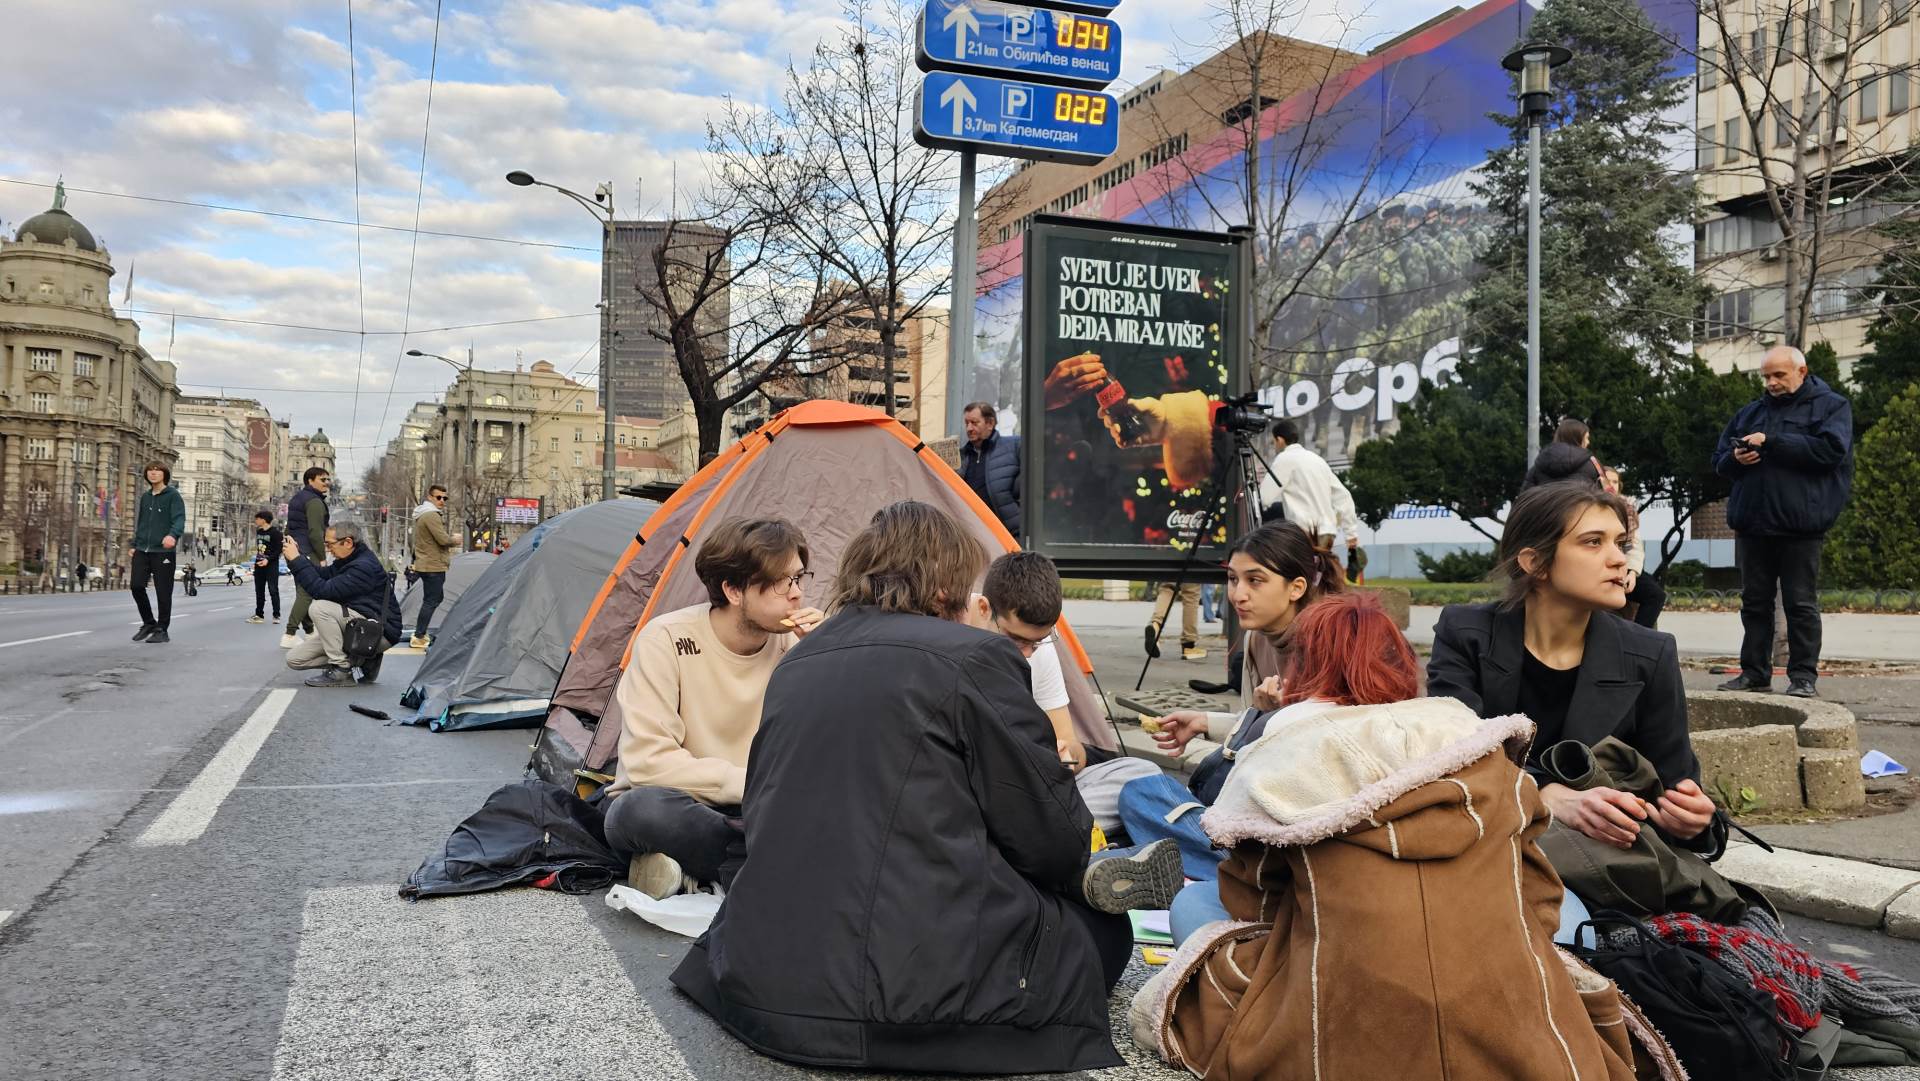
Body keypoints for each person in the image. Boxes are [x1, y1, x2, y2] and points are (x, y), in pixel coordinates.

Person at [671, 501, 1176, 1075]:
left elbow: (762, 805)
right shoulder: (975, 657)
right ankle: (1097, 881)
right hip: (907, 1001)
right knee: (1103, 930)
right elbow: (1047, 834)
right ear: (948, 586)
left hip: (764, 984)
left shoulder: (800, 660)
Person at [1131, 592, 1659, 1081]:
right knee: (1554, 914)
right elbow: (1539, 895)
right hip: (1498, 1004)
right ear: (1403, 663)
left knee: (1195, 902)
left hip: (1339, 1011)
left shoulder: (1280, 753)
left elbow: (1252, 903)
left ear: (1302, 667)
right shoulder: (1474, 743)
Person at [1427, 481, 1718, 859]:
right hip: (1483, 846)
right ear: (1535, 562)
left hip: (1594, 866)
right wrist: (1544, 793)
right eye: (1593, 542)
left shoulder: (1650, 654)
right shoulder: (1466, 634)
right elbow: (1454, 757)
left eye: (1621, 543)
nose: (1619, 560)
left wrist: (1695, 823)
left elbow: (1673, 790)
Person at [601, 518, 823, 899]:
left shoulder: (796, 645)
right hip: (685, 803)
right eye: (782, 582)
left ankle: (701, 869)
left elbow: (821, 751)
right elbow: (647, 764)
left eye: (800, 579)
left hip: (757, 811)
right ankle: (767, 871)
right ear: (733, 590)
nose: (797, 595)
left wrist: (824, 657)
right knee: (642, 811)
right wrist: (752, 784)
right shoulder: (667, 638)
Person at [1712, 344, 1854, 698]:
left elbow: (1830, 452)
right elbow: (1718, 461)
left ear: (1801, 372)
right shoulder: (1749, 413)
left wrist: (1772, 442)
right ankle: (1754, 674)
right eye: (1766, 377)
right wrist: (1736, 458)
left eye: (1779, 375)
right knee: (1754, 604)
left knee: (1800, 604)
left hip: (1800, 527)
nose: (1771, 383)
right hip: (1752, 525)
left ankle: (1803, 678)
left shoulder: (1832, 406)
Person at [966, 550, 1085, 771]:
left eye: (1039, 641)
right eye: (1016, 640)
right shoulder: (947, 633)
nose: (1029, 653)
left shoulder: (1040, 650)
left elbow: (1073, 744)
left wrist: (1066, 756)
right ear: (984, 608)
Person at [281, 521, 402, 687]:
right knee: (294, 660)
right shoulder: (350, 559)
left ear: (348, 542)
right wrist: (297, 557)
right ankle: (365, 659)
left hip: (379, 632)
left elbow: (321, 590)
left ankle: (341, 670)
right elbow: (322, 574)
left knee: (320, 608)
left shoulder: (363, 567)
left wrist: (296, 560)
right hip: (357, 626)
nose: (328, 549)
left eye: (330, 544)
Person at [1255, 417, 1361, 551]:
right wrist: (1351, 533)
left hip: (1304, 534)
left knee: (1294, 570)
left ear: (1280, 440)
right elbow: (1343, 496)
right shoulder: (1317, 460)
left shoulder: (1283, 459)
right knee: (1320, 571)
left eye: (1274, 442)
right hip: (1327, 533)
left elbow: (1264, 498)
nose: (1274, 446)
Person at [128, 462, 186, 645]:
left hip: (163, 551)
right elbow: (142, 523)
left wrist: (172, 535)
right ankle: (148, 623)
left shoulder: (173, 496)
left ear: (165, 474)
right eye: (150, 470)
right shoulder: (145, 497)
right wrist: (134, 544)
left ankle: (162, 629)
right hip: (143, 549)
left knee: (163, 591)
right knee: (136, 586)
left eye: (157, 470)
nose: (153, 473)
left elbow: (179, 519)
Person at [1600, 465, 1665, 628]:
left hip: (1625, 564)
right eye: (1608, 481)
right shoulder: (1590, 507)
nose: (1612, 485)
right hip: (1600, 566)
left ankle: (1640, 638)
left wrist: (1632, 572)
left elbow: (1634, 545)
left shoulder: (1627, 508)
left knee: (1655, 595)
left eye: (1615, 482)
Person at [282, 467, 331, 649]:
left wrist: (288, 547)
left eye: (328, 479)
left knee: (302, 592)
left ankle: (310, 631)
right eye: (322, 479)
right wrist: (322, 556)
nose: (326, 482)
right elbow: (315, 533)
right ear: (310, 480)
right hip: (307, 551)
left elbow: (289, 528)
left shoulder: (297, 498)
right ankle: (289, 634)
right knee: (307, 593)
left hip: (293, 550)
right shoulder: (314, 501)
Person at [957, 401, 1022, 536]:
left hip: (1010, 535)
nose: (969, 428)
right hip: (975, 534)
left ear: (990, 423)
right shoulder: (961, 457)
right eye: (966, 423)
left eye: (974, 423)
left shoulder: (1014, 446)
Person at [407, 483, 458, 649]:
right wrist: (455, 540)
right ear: (430, 497)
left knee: (435, 598)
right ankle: (419, 636)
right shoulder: (431, 515)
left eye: (445, 498)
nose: (442, 500)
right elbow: (443, 540)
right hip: (433, 565)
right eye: (438, 497)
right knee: (431, 600)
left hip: (427, 563)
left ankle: (420, 633)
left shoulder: (424, 514)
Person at [1521, 416, 1604, 492]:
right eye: (1586, 438)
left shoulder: (1538, 467)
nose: (1588, 442)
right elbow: (1603, 496)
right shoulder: (1593, 464)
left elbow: (1524, 498)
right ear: (1577, 438)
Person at [1146, 580, 1205, 661]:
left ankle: (1156, 624)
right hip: (1193, 568)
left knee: (1168, 588)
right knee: (1191, 594)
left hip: (1170, 568)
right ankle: (1188, 644)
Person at [248, 509, 283, 625]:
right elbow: (259, 548)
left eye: (257, 519)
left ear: (263, 520)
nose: (256, 521)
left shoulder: (276, 533)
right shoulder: (259, 532)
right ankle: (259, 615)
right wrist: (257, 561)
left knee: (273, 590)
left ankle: (276, 615)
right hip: (259, 565)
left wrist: (268, 559)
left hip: (271, 565)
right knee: (259, 591)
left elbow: (278, 550)